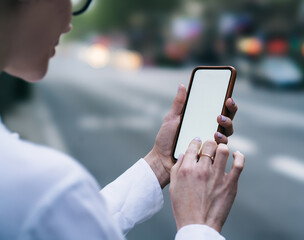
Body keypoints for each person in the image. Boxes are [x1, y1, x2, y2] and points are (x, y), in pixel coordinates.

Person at [0, 0, 245, 239]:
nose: (69, 24)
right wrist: (200, 225)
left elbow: (75, 225)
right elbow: (57, 213)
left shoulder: (36, 192)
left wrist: (159, 164)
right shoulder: (48, 191)